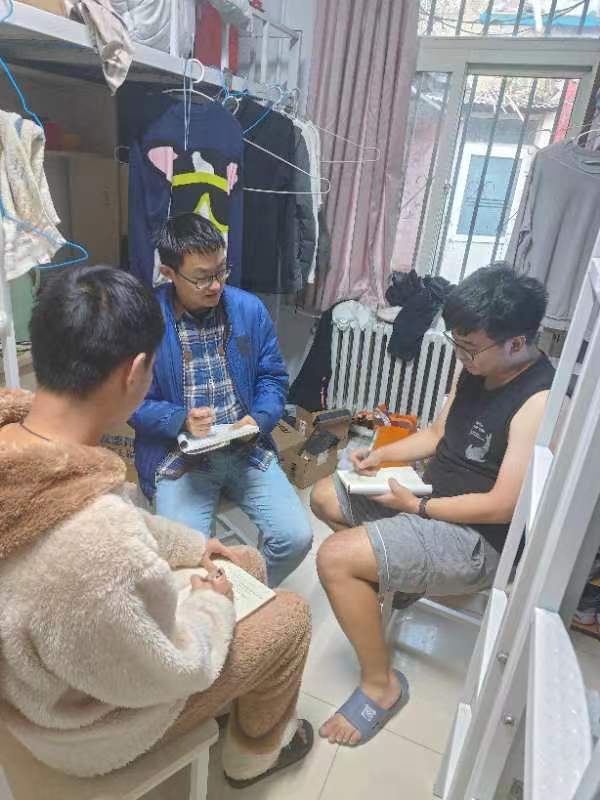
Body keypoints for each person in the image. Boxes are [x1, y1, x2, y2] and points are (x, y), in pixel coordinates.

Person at [0, 265, 313, 786]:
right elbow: (179, 666)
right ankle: (251, 758)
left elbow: (113, 517)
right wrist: (211, 607)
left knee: (243, 561)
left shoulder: (24, 443)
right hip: (85, 729)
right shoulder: (96, 542)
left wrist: (194, 545)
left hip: (41, 674)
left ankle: (235, 690)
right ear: (135, 372)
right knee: (291, 616)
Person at [310, 264, 554, 747]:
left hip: (474, 538)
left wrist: (418, 509)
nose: (461, 356)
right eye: (456, 343)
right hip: (427, 499)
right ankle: (398, 574)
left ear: (517, 343)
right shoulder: (476, 369)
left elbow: (503, 506)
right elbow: (438, 434)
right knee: (324, 495)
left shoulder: (539, 401)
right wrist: (380, 456)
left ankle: (381, 685)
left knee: (335, 558)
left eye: (470, 348)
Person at [130, 213, 312, 587]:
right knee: (186, 562)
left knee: (296, 538)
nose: (215, 285)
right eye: (202, 277)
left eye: (221, 271)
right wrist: (180, 419)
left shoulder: (248, 310)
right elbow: (131, 403)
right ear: (168, 273)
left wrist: (259, 419)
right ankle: (211, 599)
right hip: (180, 459)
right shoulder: (144, 321)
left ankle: (244, 595)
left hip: (245, 449)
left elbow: (273, 378)